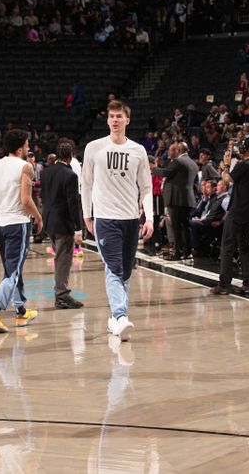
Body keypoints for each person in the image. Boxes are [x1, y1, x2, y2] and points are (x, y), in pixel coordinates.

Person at [82, 100, 154, 341]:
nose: (114, 120)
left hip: (131, 219)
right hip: (105, 218)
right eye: (111, 116)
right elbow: (87, 184)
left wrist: (150, 218)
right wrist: (87, 214)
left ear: (127, 120)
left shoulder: (138, 151)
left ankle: (115, 317)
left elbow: (145, 187)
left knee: (125, 271)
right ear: (107, 120)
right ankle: (121, 316)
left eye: (119, 116)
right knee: (113, 268)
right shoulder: (94, 148)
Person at [0, 129, 42, 333]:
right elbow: (25, 199)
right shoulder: (26, 167)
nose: (29, 147)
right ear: (21, 147)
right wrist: (38, 217)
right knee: (13, 271)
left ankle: (21, 309)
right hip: (17, 223)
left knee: (12, 268)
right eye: (28, 144)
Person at [209, 137, 249, 296]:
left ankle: (224, 284)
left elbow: (227, 180)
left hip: (237, 210)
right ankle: (248, 285)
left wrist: (226, 166)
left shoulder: (242, 165)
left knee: (227, 246)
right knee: (244, 247)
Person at [40, 139, 84, 309]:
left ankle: (61, 293)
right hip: (63, 224)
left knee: (59, 260)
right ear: (71, 156)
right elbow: (73, 204)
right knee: (63, 261)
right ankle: (62, 296)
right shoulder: (71, 174)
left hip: (49, 221)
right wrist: (78, 228)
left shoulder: (46, 172)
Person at [152, 141, 198, 261]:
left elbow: (165, 172)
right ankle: (187, 252)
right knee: (185, 226)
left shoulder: (179, 161)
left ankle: (178, 253)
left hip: (176, 199)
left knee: (177, 227)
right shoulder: (193, 163)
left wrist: (154, 168)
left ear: (179, 150)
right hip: (187, 199)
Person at [190, 179, 229, 254]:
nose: (216, 187)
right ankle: (196, 248)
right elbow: (209, 213)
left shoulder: (226, 199)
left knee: (192, 223)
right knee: (190, 222)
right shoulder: (218, 198)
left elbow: (229, 212)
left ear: (224, 188)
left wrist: (220, 222)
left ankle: (196, 249)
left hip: (213, 225)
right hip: (207, 221)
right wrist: (201, 219)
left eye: (218, 185)